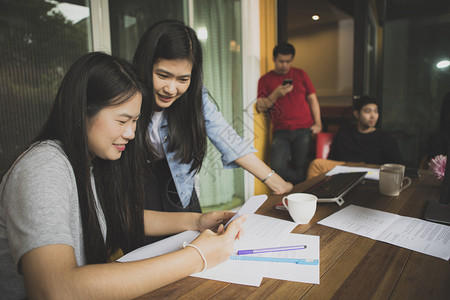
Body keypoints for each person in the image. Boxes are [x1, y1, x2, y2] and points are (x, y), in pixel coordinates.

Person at [0, 52, 246, 299]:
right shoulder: (43, 166)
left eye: (135, 122)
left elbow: (122, 216)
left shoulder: (92, 163)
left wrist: (196, 221)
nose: (130, 133)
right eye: (122, 121)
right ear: (81, 113)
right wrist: (197, 256)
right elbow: (53, 290)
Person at [133, 20, 293, 213]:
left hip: (180, 186)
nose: (171, 89)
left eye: (183, 79)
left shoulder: (195, 96)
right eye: (163, 76)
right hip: (138, 186)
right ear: (146, 65)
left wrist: (276, 182)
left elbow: (226, 137)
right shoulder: (126, 94)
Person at [256, 42, 322, 185]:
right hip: (281, 131)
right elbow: (261, 107)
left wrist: (318, 123)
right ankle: (301, 184)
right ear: (274, 59)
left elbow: (312, 99)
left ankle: (297, 193)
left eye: (288, 61)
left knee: (299, 167)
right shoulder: (265, 79)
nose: (285, 65)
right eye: (281, 61)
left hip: (304, 129)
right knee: (276, 168)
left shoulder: (300, 74)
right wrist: (276, 94)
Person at [307, 96, 402, 179]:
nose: (373, 116)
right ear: (357, 114)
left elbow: (395, 166)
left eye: (376, 111)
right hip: (345, 169)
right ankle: (309, 197)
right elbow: (333, 158)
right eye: (368, 111)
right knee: (316, 164)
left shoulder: (386, 138)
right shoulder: (344, 131)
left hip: (371, 170)